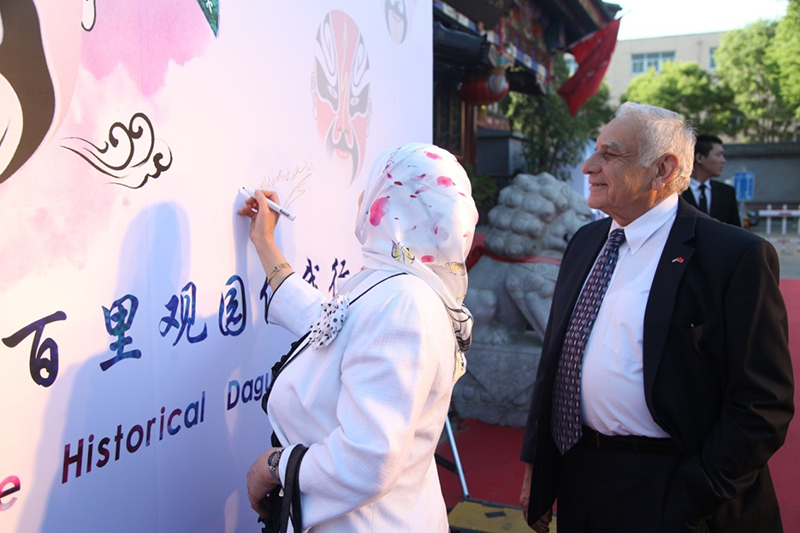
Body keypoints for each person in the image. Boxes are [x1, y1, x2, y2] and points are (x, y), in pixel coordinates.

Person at [519, 103, 793, 533]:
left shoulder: (733, 257)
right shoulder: (585, 242)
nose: (589, 166)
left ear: (663, 169)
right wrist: (539, 463)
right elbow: (555, 363)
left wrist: (693, 494)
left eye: (609, 154)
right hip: (580, 478)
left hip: (672, 488)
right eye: (594, 152)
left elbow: (762, 403)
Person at [238, 142, 479, 532]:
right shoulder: (399, 287)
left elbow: (368, 458)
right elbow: (329, 323)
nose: (362, 200)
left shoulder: (405, 303)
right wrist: (266, 244)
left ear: (395, 207)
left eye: (373, 189)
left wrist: (273, 467)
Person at [681, 134, 741, 226]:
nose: (723, 160)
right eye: (718, 155)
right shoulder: (677, 192)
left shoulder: (727, 193)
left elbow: (736, 232)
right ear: (699, 157)